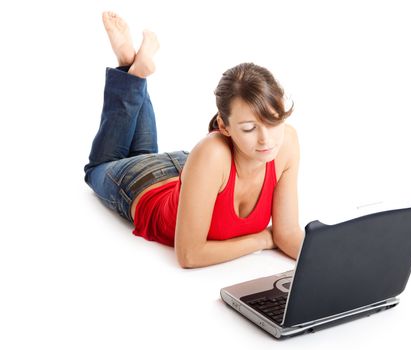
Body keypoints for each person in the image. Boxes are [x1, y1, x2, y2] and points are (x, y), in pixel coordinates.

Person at [84, 11, 304, 268]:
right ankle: (131, 71)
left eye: (273, 122)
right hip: (141, 182)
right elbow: (189, 255)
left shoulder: (287, 142)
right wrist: (260, 241)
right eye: (248, 128)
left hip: (193, 173)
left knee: (145, 150)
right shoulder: (212, 152)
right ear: (224, 126)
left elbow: (286, 234)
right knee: (99, 167)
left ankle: (133, 72)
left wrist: (334, 264)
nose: (266, 140)